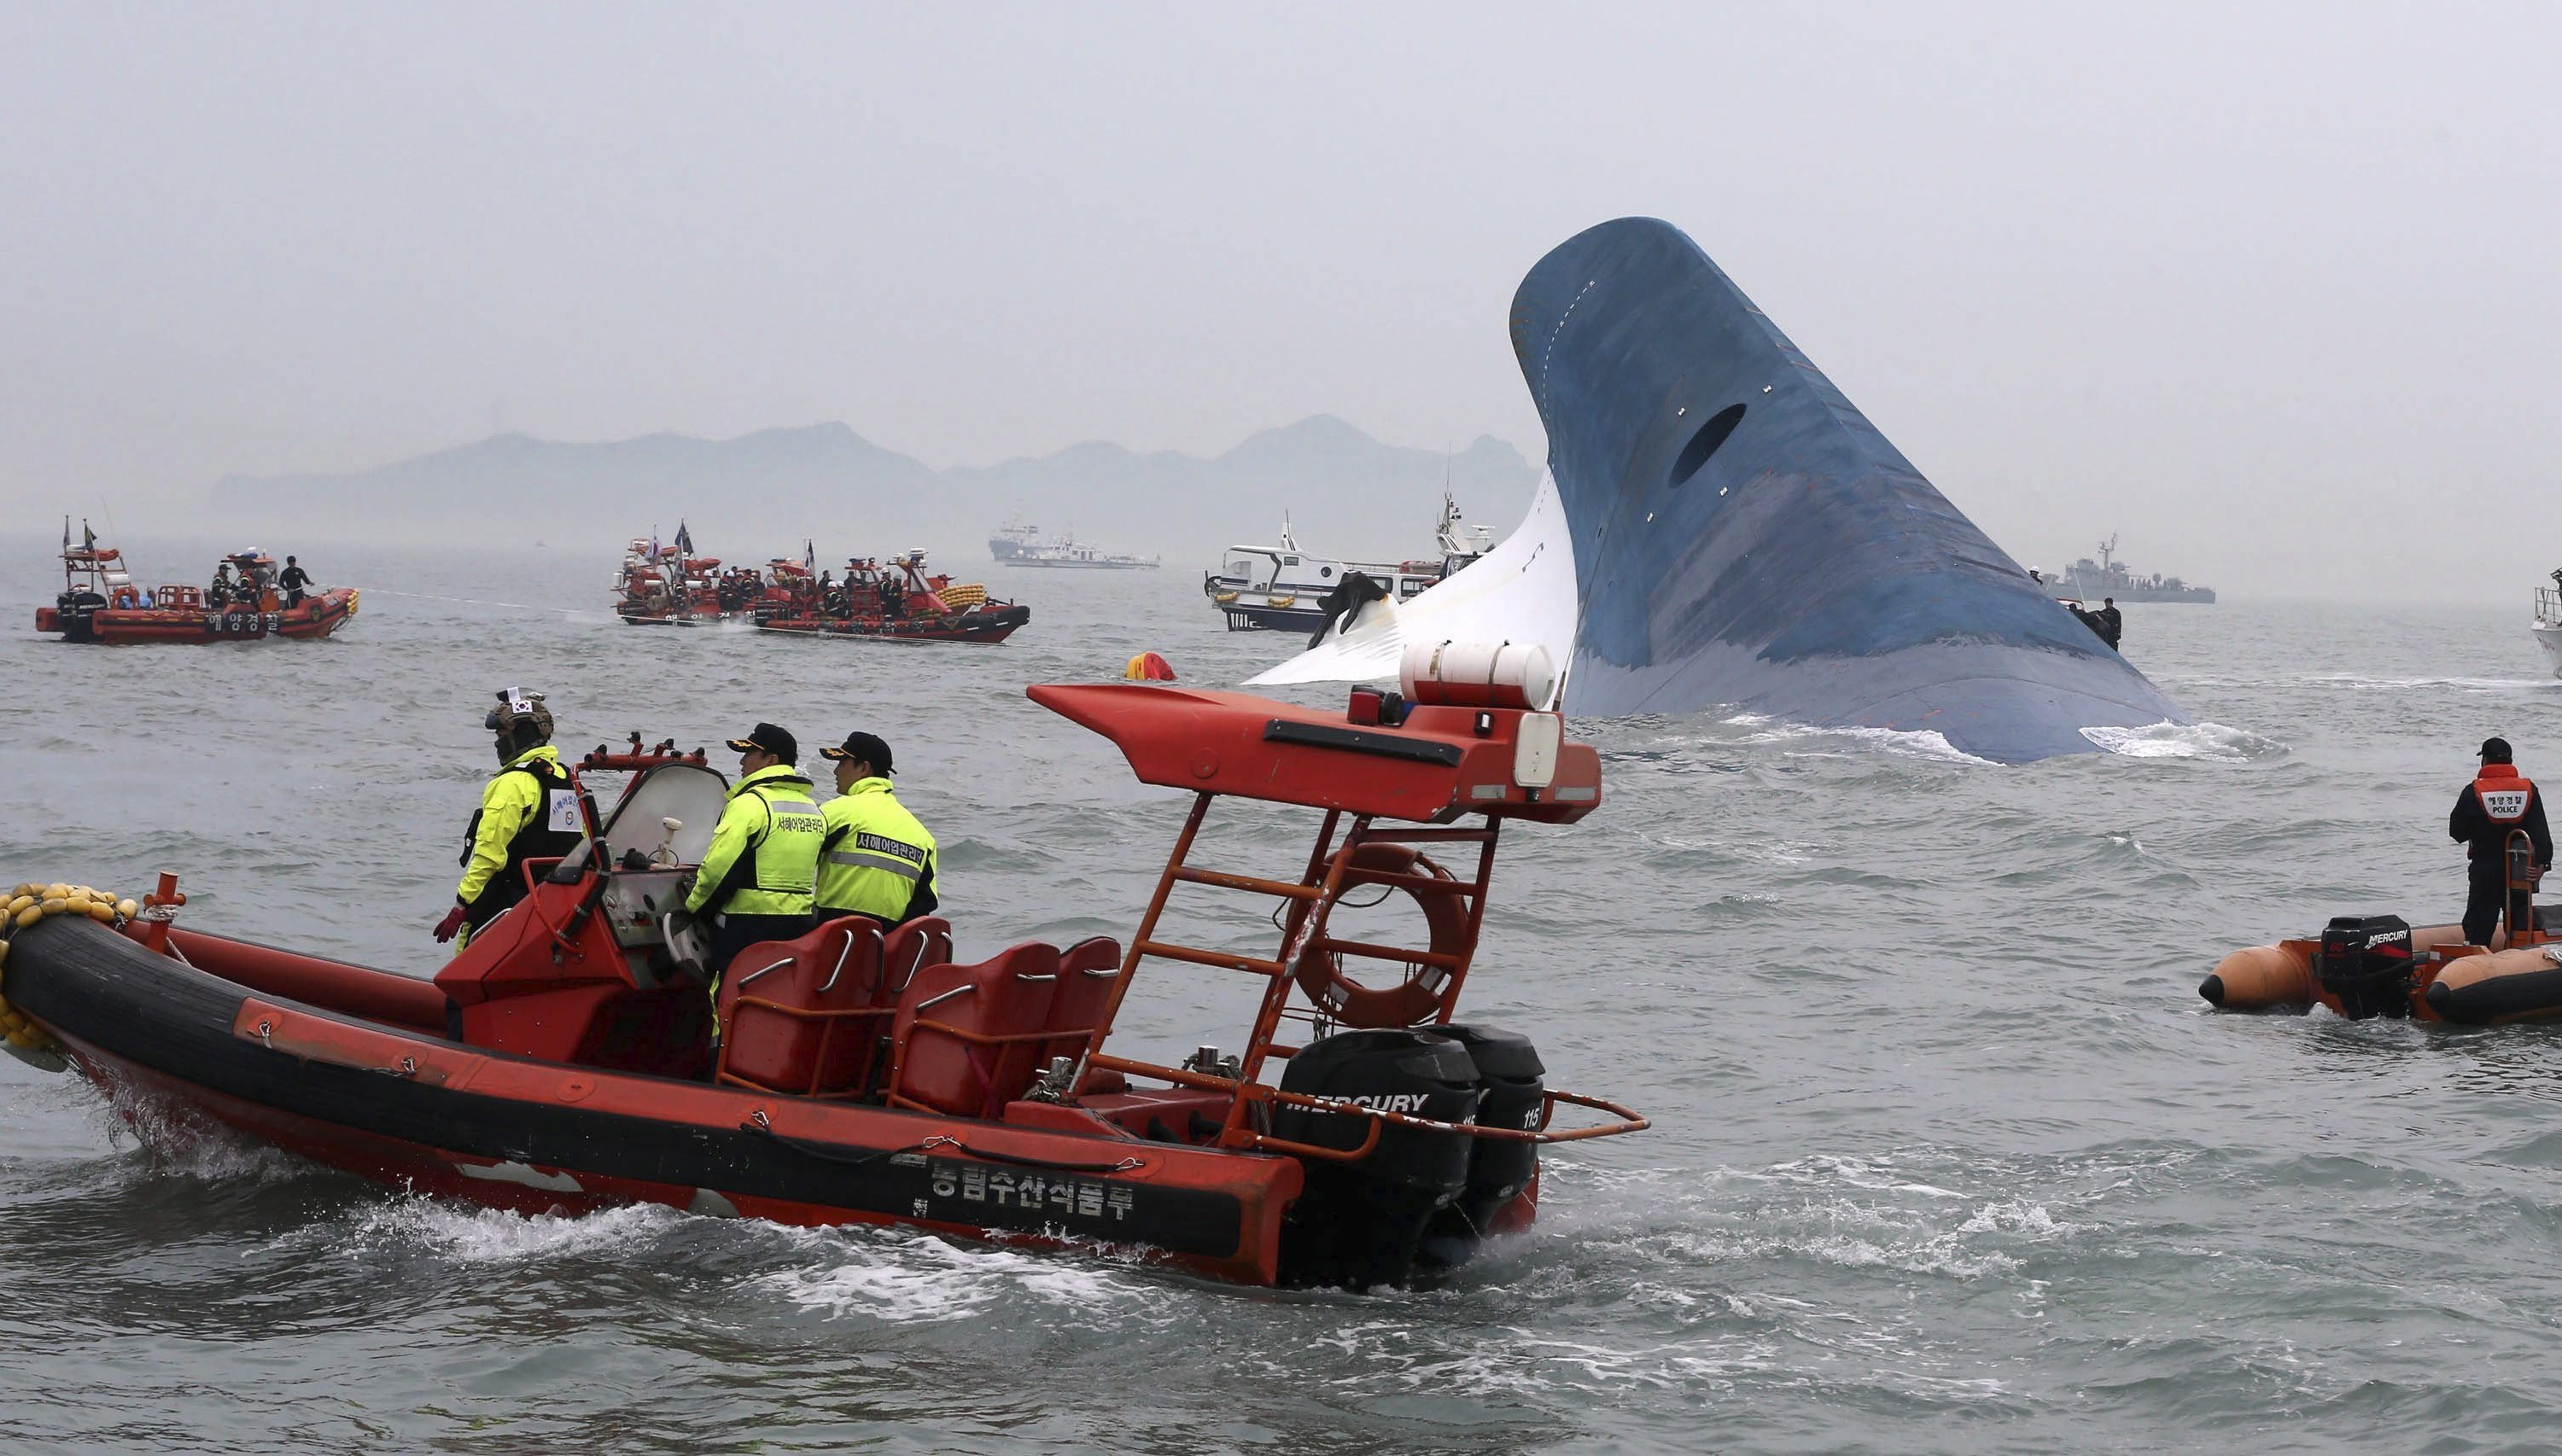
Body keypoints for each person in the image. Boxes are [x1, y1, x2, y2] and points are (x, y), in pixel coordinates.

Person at [433, 690, 585, 949]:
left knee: (469, 964)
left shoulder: (512, 784)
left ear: (521, 735)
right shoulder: (566, 778)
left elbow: (490, 852)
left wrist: (462, 904)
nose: (497, 743)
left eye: (502, 736)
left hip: (507, 904)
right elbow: (582, 842)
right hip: (554, 908)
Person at [682, 721, 825, 983]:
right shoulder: (813, 810)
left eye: (749, 754)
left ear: (770, 760)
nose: (742, 762)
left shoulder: (749, 805)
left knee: (730, 1000)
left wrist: (691, 909)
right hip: (801, 926)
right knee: (777, 1000)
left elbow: (717, 872)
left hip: (747, 928)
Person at [814, 731, 939, 929]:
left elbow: (794, 864)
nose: (835, 771)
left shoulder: (836, 812)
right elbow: (927, 901)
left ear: (864, 768)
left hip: (833, 939)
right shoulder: (922, 836)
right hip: (885, 947)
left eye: (842, 763)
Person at [2449, 737, 2553, 946]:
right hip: (2520, 870)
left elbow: (2457, 832)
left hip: (2485, 870)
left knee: (2479, 926)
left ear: (2485, 761)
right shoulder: (2529, 789)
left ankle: (2476, 967)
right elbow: (2541, 831)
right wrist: (2543, 864)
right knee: (2519, 923)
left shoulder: (2473, 792)